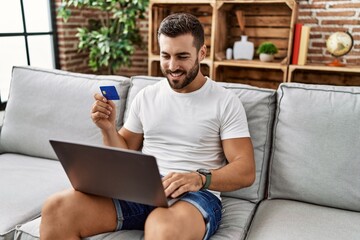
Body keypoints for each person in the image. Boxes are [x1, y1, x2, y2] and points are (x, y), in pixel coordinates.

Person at [40, 13, 255, 240]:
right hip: (141, 189)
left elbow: (245, 169)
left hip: (194, 194)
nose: (172, 66)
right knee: (57, 208)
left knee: (161, 226)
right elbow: (123, 153)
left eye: (182, 56)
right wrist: (108, 128)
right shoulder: (146, 97)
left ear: (202, 52)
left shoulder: (225, 101)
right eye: (166, 56)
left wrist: (200, 178)